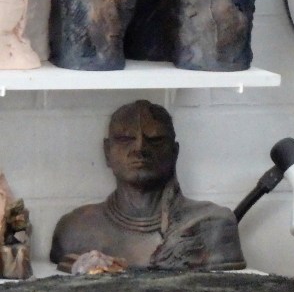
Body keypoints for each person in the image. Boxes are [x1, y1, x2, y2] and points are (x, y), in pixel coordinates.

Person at [50, 100, 245, 271]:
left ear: (175, 152)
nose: (140, 148)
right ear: (107, 152)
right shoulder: (75, 230)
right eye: (125, 139)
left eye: (155, 140)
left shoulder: (212, 225)